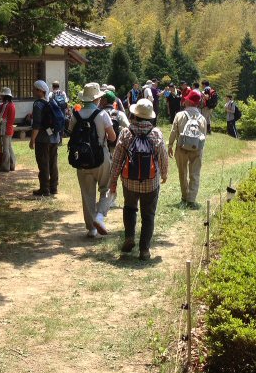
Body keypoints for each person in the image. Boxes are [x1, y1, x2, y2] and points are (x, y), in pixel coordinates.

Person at [109, 98, 168, 260]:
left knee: (129, 208)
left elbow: (117, 159)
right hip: (151, 182)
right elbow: (162, 157)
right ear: (150, 117)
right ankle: (144, 250)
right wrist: (164, 174)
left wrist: (113, 181)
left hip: (129, 181)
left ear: (135, 115)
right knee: (148, 215)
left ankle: (129, 237)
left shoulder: (126, 133)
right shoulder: (156, 134)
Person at [68, 82, 116, 237]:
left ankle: (91, 229)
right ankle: (100, 217)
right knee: (107, 189)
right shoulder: (102, 115)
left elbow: (70, 132)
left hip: (81, 158)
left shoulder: (76, 115)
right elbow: (112, 137)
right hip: (101, 157)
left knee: (87, 194)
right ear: (97, 99)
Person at [169, 90, 207, 208]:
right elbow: (203, 136)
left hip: (181, 148)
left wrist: (170, 145)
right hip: (196, 149)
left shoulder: (179, 115)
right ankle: (191, 199)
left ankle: (184, 196)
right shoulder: (202, 118)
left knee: (182, 172)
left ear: (189, 101)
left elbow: (174, 132)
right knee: (195, 173)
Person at [29, 80, 61, 196]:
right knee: (53, 163)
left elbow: (36, 125)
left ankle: (44, 189)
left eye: (34, 89)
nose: (33, 91)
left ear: (40, 91)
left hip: (43, 139)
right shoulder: (52, 102)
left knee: (43, 163)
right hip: (54, 138)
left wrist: (32, 140)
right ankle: (54, 188)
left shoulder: (38, 104)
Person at [0, 87, 16, 171]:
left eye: (2, 96)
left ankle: (5, 167)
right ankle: (12, 165)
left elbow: (0, 118)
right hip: (10, 128)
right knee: (9, 147)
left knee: (5, 149)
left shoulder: (5, 105)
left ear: (5, 96)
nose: (1, 98)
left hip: (4, 129)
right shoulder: (12, 104)